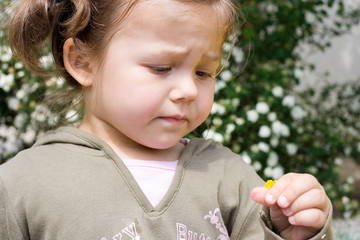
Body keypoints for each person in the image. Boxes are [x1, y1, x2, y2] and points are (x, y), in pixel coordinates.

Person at [0, 0, 335, 239]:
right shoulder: (21, 187)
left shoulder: (230, 178)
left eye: (204, 72)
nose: (189, 89)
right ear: (83, 62)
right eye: (161, 67)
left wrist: (297, 233)